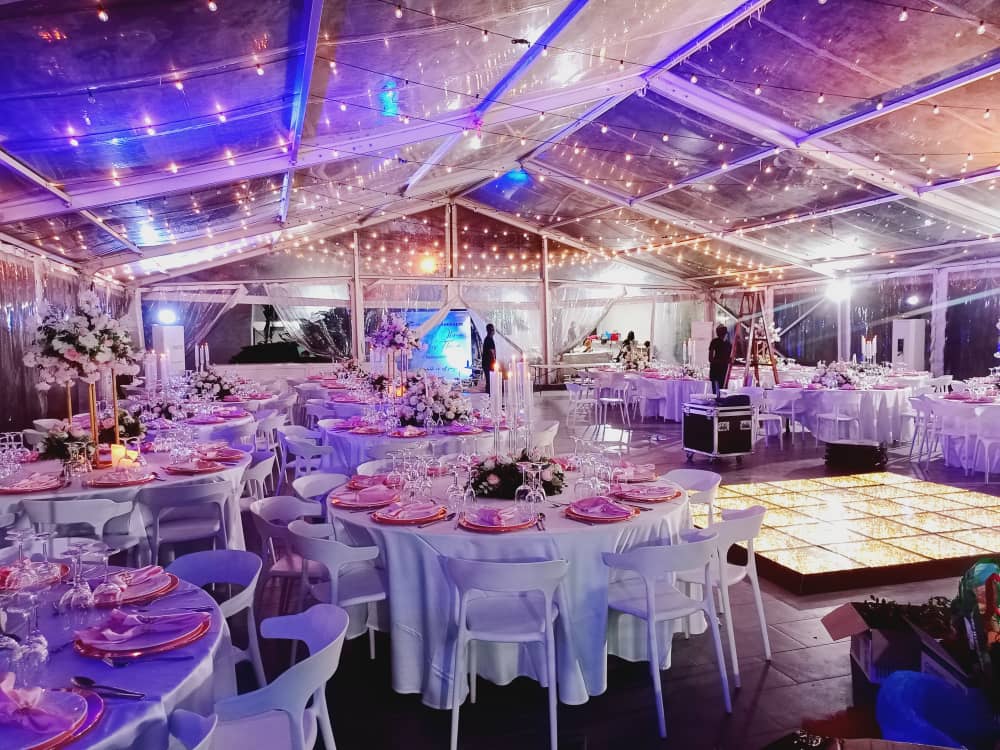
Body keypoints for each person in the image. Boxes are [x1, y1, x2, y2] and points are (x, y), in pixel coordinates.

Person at [709, 324, 731, 395]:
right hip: (719, 370)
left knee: (717, 392)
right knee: (721, 392)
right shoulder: (727, 343)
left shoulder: (727, 343)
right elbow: (710, 358)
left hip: (720, 370)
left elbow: (710, 358)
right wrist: (724, 361)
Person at [482, 323, 497, 393]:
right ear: (492, 330)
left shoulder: (487, 339)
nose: (494, 331)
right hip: (488, 364)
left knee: (489, 381)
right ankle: (489, 397)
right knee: (490, 381)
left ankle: (489, 396)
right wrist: (494, 361)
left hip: (487, 363)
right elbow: (492, 352)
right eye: (493, 329)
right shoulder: (489, 339)